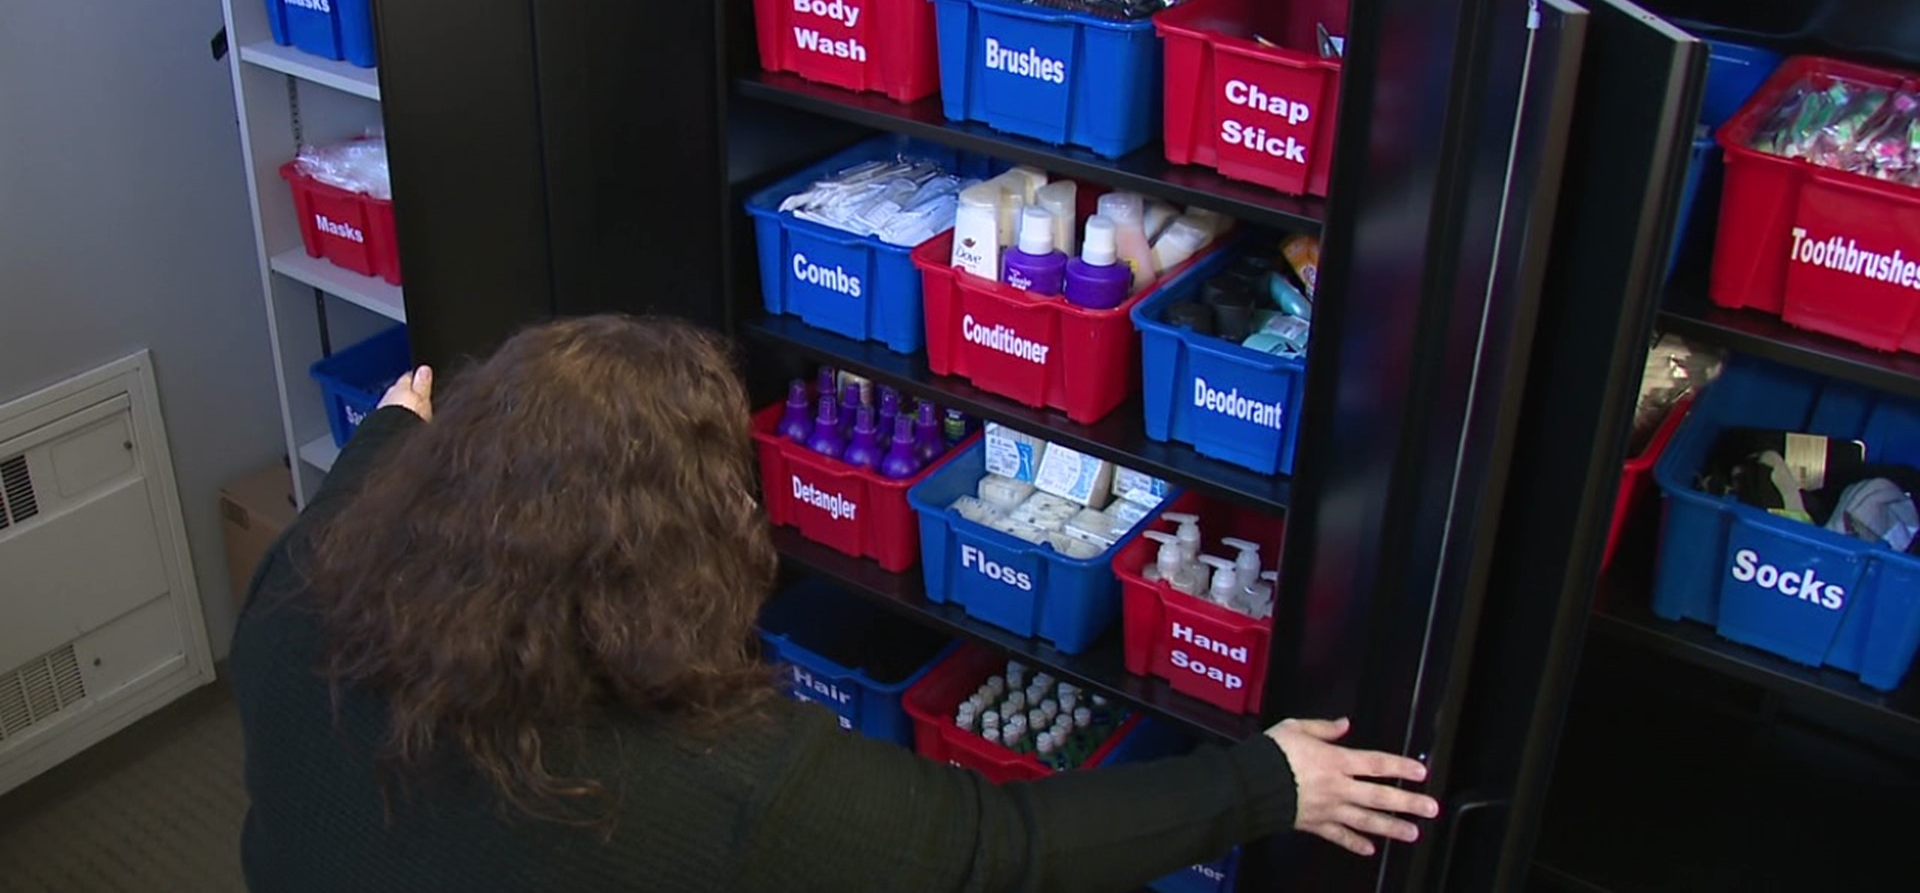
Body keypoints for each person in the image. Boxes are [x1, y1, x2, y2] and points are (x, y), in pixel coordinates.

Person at [230, 315, 1437, 892]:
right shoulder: (721, 778)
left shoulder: (300, 591)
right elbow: (1003, 850)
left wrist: (398, 424)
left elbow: (370, 472)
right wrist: (1267, 782)